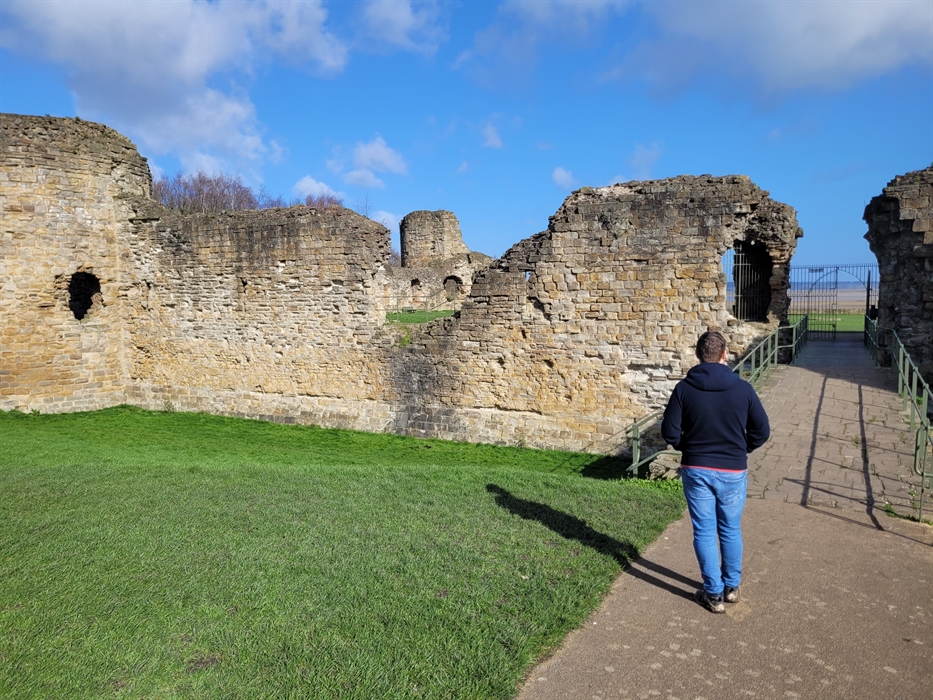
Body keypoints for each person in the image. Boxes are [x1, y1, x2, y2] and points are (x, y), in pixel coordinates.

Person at [661, 330, 770, 613]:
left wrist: (690, 446)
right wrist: (741, 448)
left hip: (696, 468)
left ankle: (713, 594)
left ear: (698, 355)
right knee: (730, 528)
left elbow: (670, 431)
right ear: (724, 355)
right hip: (733, 470)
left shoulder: (684, 389)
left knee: (704, 531)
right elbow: (762, 431)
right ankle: (731, 587)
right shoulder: (743, 389)